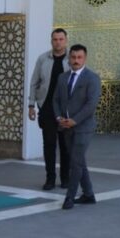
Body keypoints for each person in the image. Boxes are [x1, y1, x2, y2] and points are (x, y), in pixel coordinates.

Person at [52, 44, 100, 210]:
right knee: (78, 161)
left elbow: (91, 104)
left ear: (85, 58)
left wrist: (75, 120)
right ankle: (88, 194)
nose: (76, 61)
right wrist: (59, 117)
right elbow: (56, 100)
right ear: (69, 58)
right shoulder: (62, 78)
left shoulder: (92, 78)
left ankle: (69, 198)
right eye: (73, 57)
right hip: (65, 126)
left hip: (83, 127)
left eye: (79, 57)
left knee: (75, 163)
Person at [28, 29, 70, 190]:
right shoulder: (43, 59)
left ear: (65, 40)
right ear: (51, 41)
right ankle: (50, 178)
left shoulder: (71, 59)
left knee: (65, 145)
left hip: (65, 109)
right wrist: (31, 105)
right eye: (55, 39)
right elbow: (34, 82)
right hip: (46, 107)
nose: (58, 42)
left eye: (60, 39)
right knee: (49, 144)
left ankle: (65, 178)